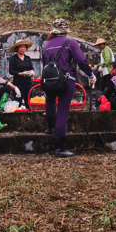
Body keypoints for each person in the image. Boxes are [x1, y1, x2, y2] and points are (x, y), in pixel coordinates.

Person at [42, 18, 96, 157]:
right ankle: (59, 146)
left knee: (50, 101)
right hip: (66, 81)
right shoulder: (70, 42)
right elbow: (81, 60)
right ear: (65, 31)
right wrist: (90, 74)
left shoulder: (46, 45)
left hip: (48, 80)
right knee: (62, 110)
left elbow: (45, 65)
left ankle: (50, 127)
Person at [8, 39, 35, 106]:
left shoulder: (27, 58)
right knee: (18, 102)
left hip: (28, 83)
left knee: (29, 102)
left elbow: (31, 68)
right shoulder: (13, 58)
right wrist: (20, 73)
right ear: (17, 49)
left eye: (24, 47)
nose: (22, 49)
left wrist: (32, 72)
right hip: (18, 83)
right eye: (20, 47)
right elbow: (11, 71)